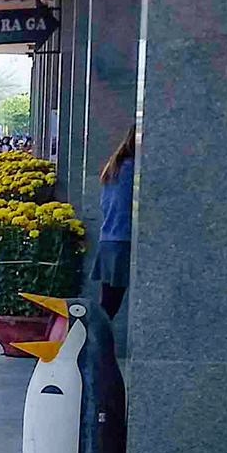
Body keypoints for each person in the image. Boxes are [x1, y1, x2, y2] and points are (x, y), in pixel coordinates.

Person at [95, 125, 136, 318]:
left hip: (108, 239)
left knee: (107, 304)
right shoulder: (132, 169)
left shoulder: (115, 166)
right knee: (109, 307)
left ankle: (90, 333)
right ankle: (91, 335)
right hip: (122, 241)